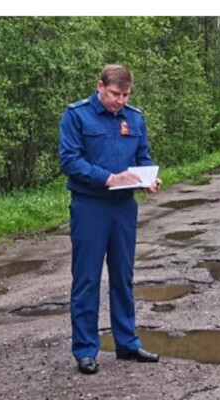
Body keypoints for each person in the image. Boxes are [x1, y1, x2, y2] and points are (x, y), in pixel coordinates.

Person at [59, 64, 163, 374]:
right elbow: (70, 160)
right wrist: (108, 178)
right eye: (115, 94)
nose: (120, 100)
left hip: (123, 208)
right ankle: (86, 350)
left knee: (122, 276)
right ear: (100, 86)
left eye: (126, 95)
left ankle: (127, 344)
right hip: (90, 206)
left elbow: (142, 156)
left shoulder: (135, 118)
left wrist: (148, 178)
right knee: (87, 279)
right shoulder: (77, 116)